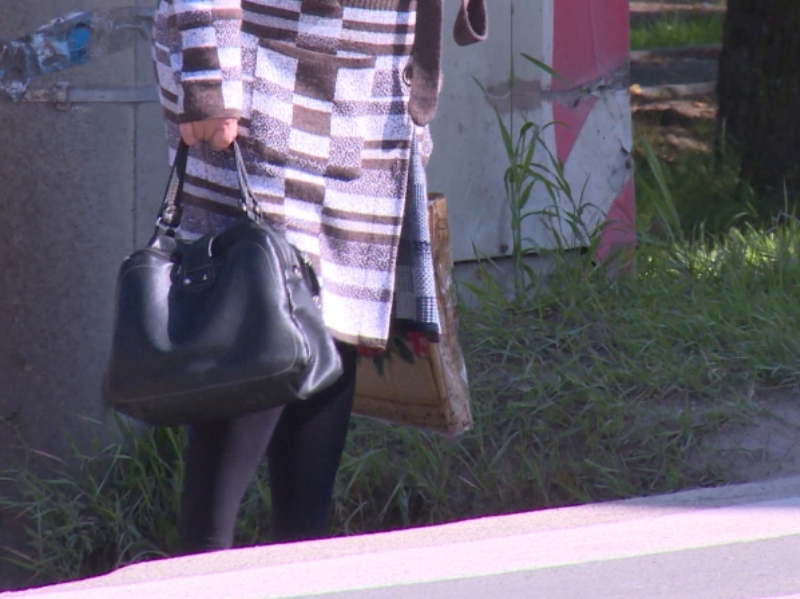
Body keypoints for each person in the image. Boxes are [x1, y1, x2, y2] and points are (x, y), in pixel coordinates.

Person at [151, 0, 487, 553]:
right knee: (254, 311)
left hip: (373, 65)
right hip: (262, 56)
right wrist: (208, 70)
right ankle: (199, 568)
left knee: (333, 319)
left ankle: (300, 566)